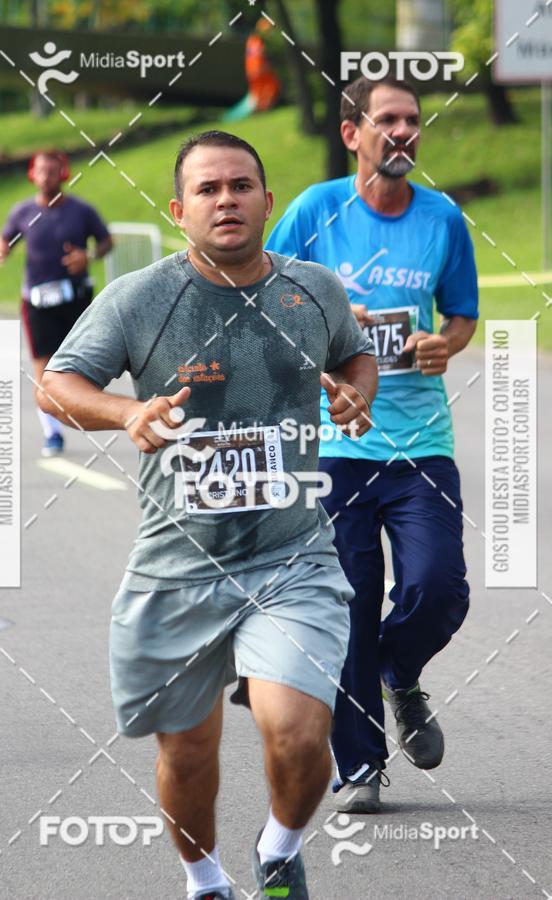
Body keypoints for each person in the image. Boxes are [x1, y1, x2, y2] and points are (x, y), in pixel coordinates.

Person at [38, 131, 377, 899]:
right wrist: (126, 411)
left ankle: (281, 849)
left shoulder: (313, 288)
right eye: (208, 190)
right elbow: (57, 384)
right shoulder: (140, 298)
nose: (226, 200)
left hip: (293, 558)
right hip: (178, 565)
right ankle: (204, 881)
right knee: (188, 750)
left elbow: (354, 353)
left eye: (241, 186)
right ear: (179, 209)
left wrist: (359, 388)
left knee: (298, 734)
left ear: (266, 200)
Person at [266, 75, 478, 814]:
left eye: (413, 120)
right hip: (334, 444)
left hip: (422, 440)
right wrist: (325, 319)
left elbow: (462, 316)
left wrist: (441, 345)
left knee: (439, 587)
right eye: (387, 119)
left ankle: (398, 669)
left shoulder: (443, 218)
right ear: (353, 133)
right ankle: (360, 767)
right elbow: (262, 295)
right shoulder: (315, 212)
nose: (403, 132)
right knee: (349, 606)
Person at [0, 150, 112, 457]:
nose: (46, 176)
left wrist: (88, 256)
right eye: (41, 170)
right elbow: (5, 237)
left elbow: (106, 241)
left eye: (53, 170)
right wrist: (2, 249)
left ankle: (93, 414)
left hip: (76, 298)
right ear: (32, 174)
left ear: (64, 173)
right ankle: (53, 434)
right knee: (43, 369)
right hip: (37, 302)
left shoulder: (81, 211)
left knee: (81, 365)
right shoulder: (22, 212)